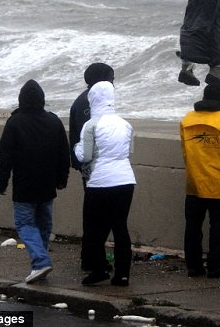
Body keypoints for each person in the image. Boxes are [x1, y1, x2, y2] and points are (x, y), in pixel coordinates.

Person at [0, 79, 70, 284]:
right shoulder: (54, 121)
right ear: (42, 100)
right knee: (44, 225)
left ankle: (40, 262)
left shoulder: (14, 123)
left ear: (21, 100)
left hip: (25, 186)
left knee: (25, 223)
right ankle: (40, 264)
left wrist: (1, 184)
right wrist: (62, 179)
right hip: (47, 185)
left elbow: (6, 156)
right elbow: (64, 154)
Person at [75, 81, 136, 286]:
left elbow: (85, 156)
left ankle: (99, 269)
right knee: (120, 227)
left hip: (100, 181)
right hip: (126, 180)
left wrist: (76, 146)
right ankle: (123, 275)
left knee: (94, 228)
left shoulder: (90, 125)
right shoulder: (125, 124)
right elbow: (129, 152)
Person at [180, 85, 220, 278]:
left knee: (192, 227)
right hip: (219, 182)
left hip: (194, 183)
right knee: (218, 226)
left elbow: (185, 152)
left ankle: (194, 266)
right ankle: (215, 267)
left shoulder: (187, 120)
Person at [68, 62, 115, 271]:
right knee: (100, 217)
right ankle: (92, 259)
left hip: (88, 168)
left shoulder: (82, 101)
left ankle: (90, 256)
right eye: (110, 79)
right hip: (96, 170)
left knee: (94, 215)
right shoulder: (89, 105)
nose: (113, 83)